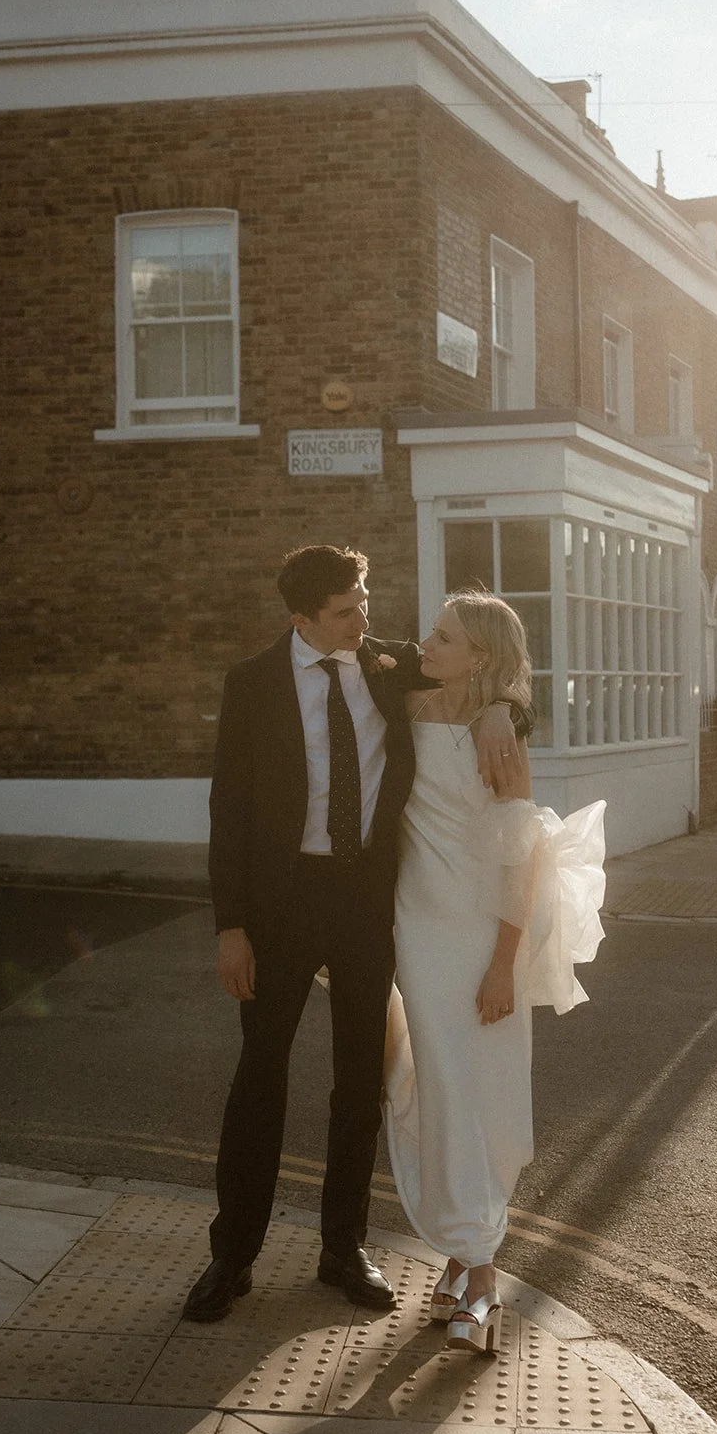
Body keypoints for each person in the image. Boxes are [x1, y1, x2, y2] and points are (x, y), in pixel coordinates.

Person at [183, 546, 524, 1323]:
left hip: (368, 901)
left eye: (364, 601)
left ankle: (343, 1248)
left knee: (359, 1080)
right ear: (301, 618)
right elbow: (227, 809)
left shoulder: (386, 663)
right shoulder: (251, 684)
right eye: (345, 611)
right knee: (259, 1075)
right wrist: (230, 926)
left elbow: (484, 677)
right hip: (279, 906)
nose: (363, 620)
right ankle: (232, 1256)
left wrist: (505, 709)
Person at [384, 590, 607, 1354]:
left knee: (479, 1087)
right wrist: (498, 701)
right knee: (432, 1084)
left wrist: (503, 965)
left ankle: (480, 1277)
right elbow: (369, 656)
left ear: (478, 655)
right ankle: (462, 1252)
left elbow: (520, 857)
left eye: (442, 636)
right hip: (418, 928)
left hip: (481, 934)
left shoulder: (502, 735)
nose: (425, 643)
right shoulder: (405, 703)